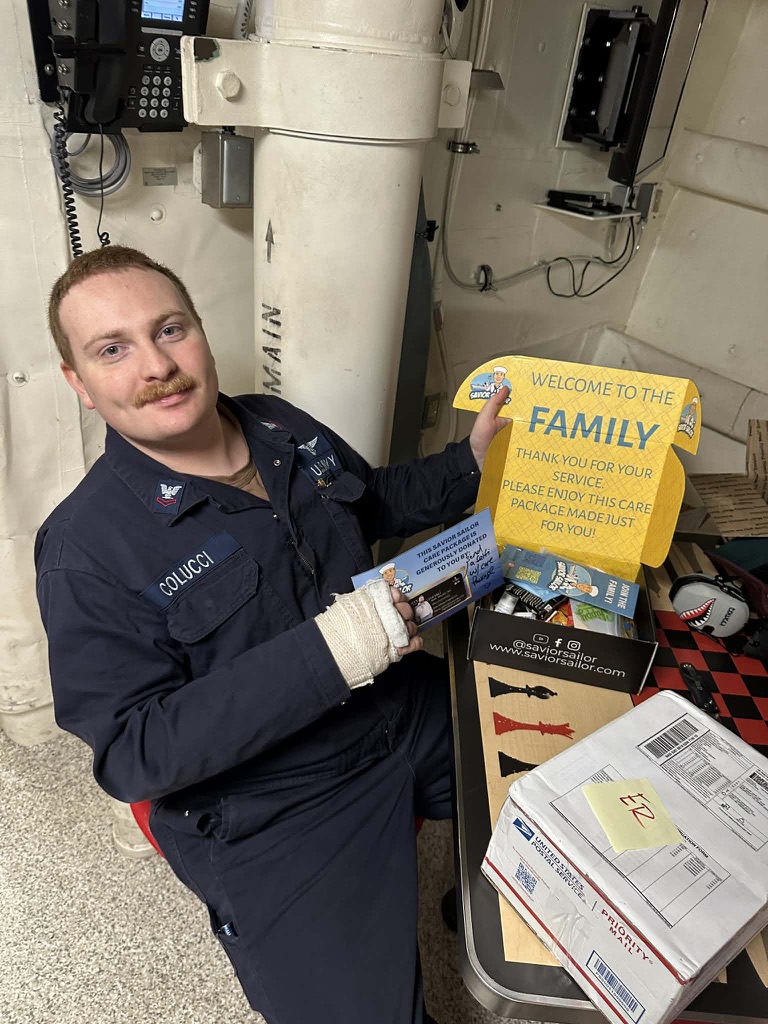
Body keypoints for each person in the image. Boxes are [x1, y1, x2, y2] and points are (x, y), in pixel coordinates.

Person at [34, 245, 511, 1024]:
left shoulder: (276, 424)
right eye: (112, 349)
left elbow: (371, 501)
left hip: (399, 708)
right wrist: (344, 643)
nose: (157, 364)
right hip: (275, 802)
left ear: (201, 333)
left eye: (170, 329)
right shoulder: (84, 550)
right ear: (79, 384)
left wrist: (468, 464)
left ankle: (499, 906)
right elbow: (133, 751)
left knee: (562, 777)